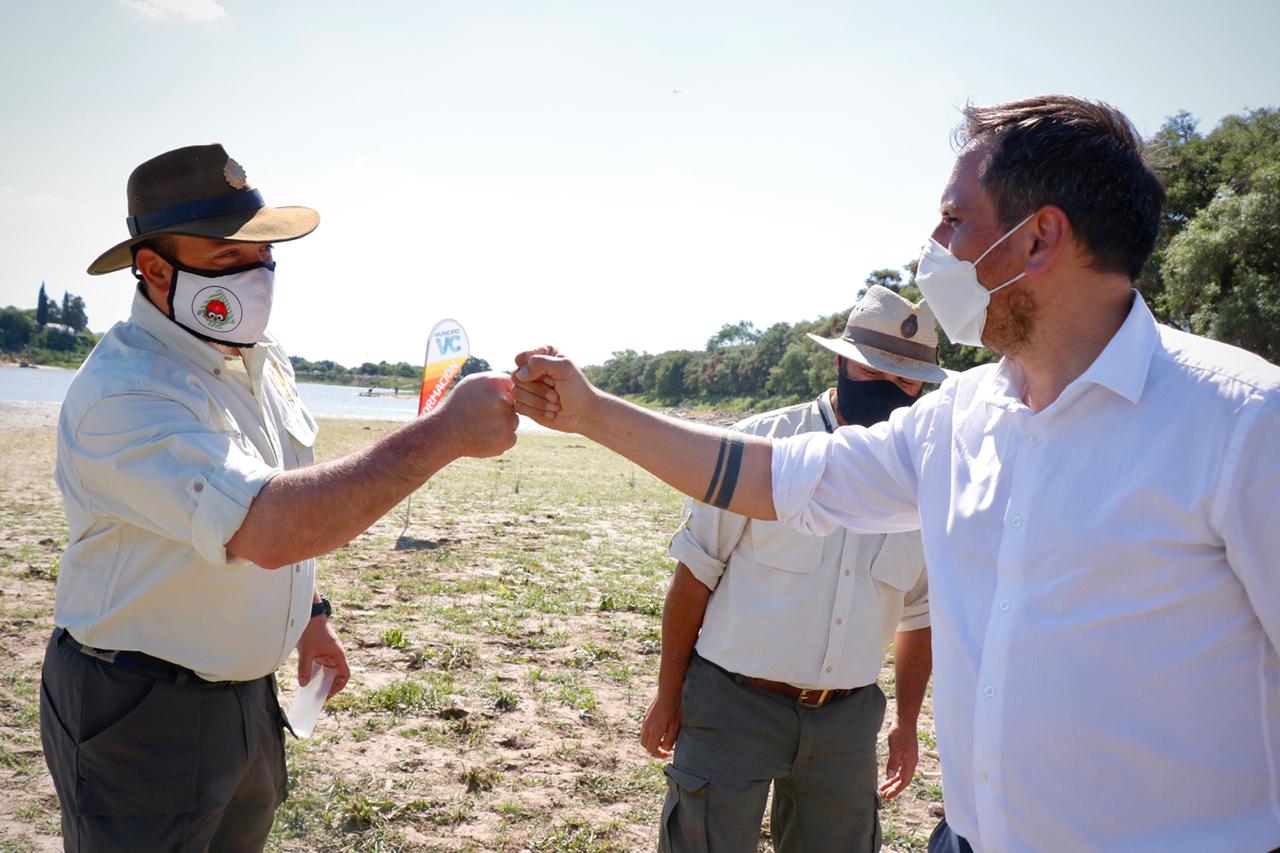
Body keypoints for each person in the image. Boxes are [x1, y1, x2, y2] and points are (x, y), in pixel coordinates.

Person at [512, 96, 1280, 853]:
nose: (934, 244)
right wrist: (591, 411)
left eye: (953, 218)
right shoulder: (959, 418)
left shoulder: (1245, 425)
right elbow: (778, 475)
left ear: (1040, 236)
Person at [42, 144, 518, 852]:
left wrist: (309, 617)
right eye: (227, 253)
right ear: (153, 269)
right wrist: (442, 434)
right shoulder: (125, 391)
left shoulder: (260, 359)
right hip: (138, 706)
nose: (255, 270)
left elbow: (284, 481)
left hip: (244, 697)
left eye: (262, 249)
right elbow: (269, 522)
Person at [643, 286, 939, 852]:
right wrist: (668, 692)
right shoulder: (761, 446)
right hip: (733, 707)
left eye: (906, 378)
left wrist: (905, 723)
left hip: (846, 725)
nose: (892, 388)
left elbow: (918, 615)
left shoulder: (923, 478)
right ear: (842, 361)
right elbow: (695, 574)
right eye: (875, 369)